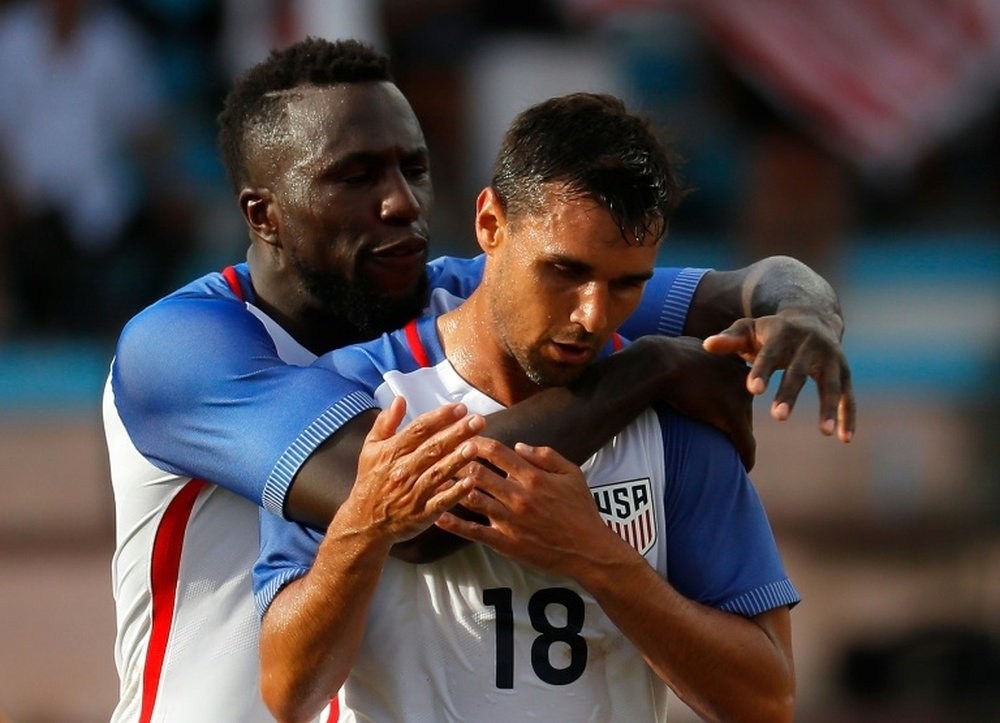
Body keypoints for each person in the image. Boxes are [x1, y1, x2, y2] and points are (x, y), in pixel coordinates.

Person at [104, 37, 850, 722]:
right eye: (356, 176)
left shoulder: (502, 296)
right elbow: (415, 510)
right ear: (262, 213)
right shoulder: (177, 348)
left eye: (414, 167)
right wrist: (654, 366)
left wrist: (808, 314)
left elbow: (754, 286)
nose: (401, 201)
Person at [255, 92, 799, 722]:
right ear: (490, 223)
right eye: (564, 271)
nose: (592, 315)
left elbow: (768, 702)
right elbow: (288, 693)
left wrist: (596, 558)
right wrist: (363, 526)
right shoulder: (353, 400)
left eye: (627, 284)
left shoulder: (672, 416)